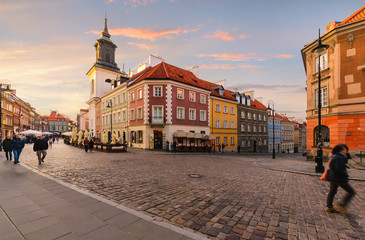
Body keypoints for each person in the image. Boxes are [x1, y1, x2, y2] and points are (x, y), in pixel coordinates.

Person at [326, 144, 356, 213]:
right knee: (351, 192)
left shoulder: (335, 156)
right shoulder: (339, 158)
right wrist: (345, 175)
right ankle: (341, 205)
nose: (346, 151)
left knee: (332, 191)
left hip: (333, 177)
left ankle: (329, 206)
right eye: (346, 150)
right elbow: (339, 169)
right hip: (339, 178)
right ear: (342, 150)